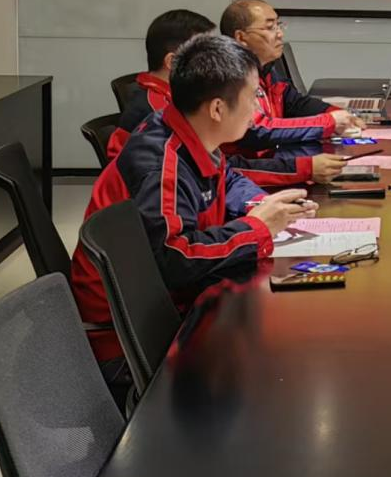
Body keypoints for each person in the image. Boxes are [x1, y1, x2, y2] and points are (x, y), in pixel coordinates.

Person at [71, 34, 319, 394]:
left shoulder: (187, 129)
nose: (257, 108)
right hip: (132, 339)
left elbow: (228, 179)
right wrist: (256, 229)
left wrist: (262, 206)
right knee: (283, 369)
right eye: (253, 97)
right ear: (217, 109)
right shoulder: (162, 165)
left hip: (172, 304)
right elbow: (174, 257)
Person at [108, 8, 348, 186]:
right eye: (206, 54)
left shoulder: (187, 98)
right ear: (173, 62)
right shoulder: (161, 112)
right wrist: (301, 168)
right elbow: (221, 172)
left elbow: (222, 173)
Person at [219, 0, 360, 147]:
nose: (280, 34)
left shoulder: (267, 69)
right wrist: (328, 122)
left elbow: (296, 103)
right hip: (246, 160)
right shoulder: (229, 75)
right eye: (270, 27)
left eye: (278, 25)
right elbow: (256, 130)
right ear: (241, 37)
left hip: (272, 156)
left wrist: (339, 114)